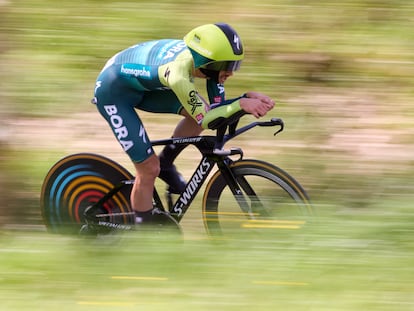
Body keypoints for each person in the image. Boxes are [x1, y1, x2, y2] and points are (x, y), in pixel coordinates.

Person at [93, 23, 275, 225]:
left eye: (233, 65)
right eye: (226, 66)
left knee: (197, 112)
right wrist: (241, 104)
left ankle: (166, 162)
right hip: (113, 92)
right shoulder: (179, 74)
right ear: (206, 62)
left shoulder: (207, 66)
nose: (230, 73)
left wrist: (244, 98)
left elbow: (216, 109)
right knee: (148, 169)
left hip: (142, 85)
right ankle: (143, 230)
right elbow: (206, 118)